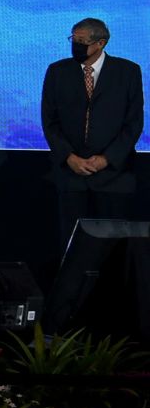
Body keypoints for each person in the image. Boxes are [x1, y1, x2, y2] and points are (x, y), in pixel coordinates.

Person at [41, 18, 144, 250]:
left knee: (113, 250)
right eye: (73, 39)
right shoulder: (58, 71)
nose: (75, 45)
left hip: (114, 177)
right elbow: (50, 121)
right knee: (72, 248)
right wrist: (69, 157)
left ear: (101, 43)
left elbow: (133, 123)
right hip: (71, 176)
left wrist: (106, 159)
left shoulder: (127, 72)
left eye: (81, 41)